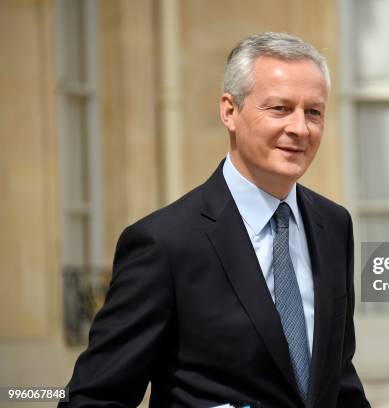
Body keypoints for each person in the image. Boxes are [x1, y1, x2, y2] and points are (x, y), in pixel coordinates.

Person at [61, 32, 370, 408]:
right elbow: (93, 397)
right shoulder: (164, 243)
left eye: (314, 112)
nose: (300, 128)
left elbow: (339, 383)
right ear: (229, 111)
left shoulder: (334, 225)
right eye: (279, 108)